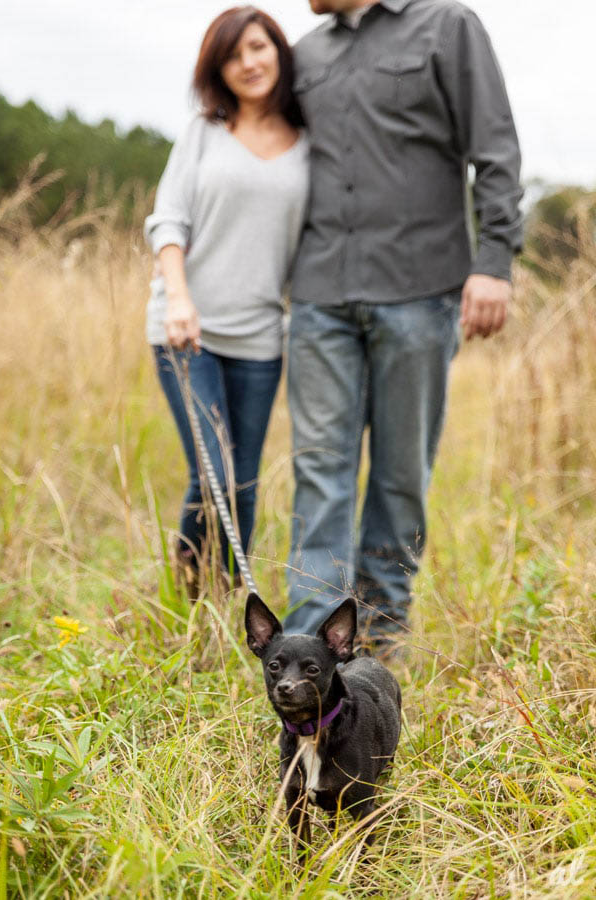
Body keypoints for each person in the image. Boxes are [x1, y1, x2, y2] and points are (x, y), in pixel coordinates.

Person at [284, 0, 523, 649]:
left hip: (420, 293)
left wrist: (495, 259)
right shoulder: (304, 55)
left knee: (399, 476)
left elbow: (495, 150)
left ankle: (382, 639)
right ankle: (312, 651)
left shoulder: (449, 27)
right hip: (319, 295)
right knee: (320, 473)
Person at [145, 6, 308, 589]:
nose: (249, 63)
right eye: (233, 55)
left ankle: (232, 604)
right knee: (211, 467)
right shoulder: (203, 132)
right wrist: (179, 299)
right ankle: (195, 595)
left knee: (242, 479)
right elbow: (167, 221)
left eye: (258, 48)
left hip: (262, 337)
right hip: (188, 330)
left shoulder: (308, 142)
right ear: (219, 69)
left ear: (279, 53)